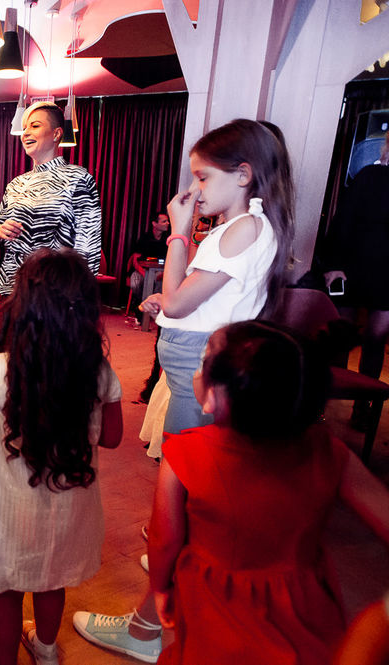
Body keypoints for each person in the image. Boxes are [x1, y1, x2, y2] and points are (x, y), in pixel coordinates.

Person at [75, 118, 295, 661]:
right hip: (196, 359)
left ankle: (144, 629)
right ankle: (173, 566)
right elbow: (187, 299)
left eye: (202, 177)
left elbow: (175, 302)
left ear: (243, 174)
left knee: (185, 496)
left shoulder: (242, 228)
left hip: (201, 365)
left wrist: (179, 229)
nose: (195, 188)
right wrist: (174, 290)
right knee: (188, 487)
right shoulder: (244, 225)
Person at [148, 320, 389, 664]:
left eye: (204, 360)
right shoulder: (330, 451)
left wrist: (161, 586)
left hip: (216, 607)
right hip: (306, 608)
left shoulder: (184, 454)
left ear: (212, 397)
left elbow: (164, 540)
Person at [0, 248, 123, 665]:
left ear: (25, 307)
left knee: (7, 587)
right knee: (53, 578)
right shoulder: (98, 371)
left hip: (9, 505)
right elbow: (112, 438)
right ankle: (47, 651)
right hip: (69, 499)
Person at [0, 102, 102, 378]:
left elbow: (88, 245)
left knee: (41, 372)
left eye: (35, 125)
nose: (26, 133)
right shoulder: (16, 184)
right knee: (0, 371)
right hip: (8, 289)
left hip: (52, 293)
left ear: (56, 134)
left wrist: (80, 298)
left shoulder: (78, 178)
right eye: (24, 128)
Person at [321, 108, 389, 428]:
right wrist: (333, 265)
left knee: (376, 340)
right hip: (354, 267)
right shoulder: (372, 174)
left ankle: (362, 405)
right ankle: (326, 400)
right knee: (341, 338)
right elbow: (344, 221)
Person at [126, 211, 170, 314]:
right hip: (142, 270)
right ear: (154, 224)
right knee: (135, 283)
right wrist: (144, 273)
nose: (168, 223)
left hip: (160, 272)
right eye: (164, 221)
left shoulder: (168, 239)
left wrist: (164, 273)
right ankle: (141, 306)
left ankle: (152, 310)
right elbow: (135, 260)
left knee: (161, 283)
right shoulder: (144, 238)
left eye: (167, 221)